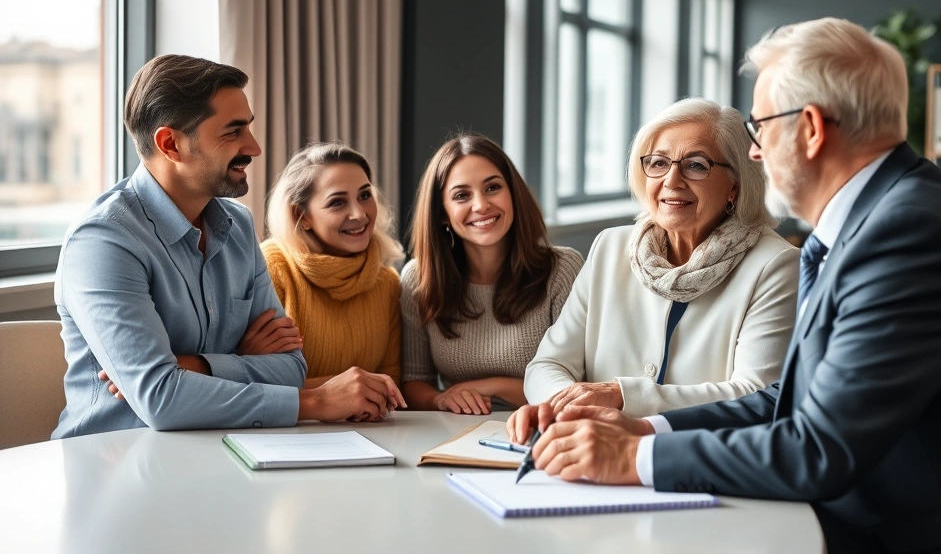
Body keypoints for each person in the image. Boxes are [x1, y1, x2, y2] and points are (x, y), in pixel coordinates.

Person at [509, 18, 941, 552]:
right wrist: (647, 431)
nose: (755, 152)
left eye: (760, 128)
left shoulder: (908, 234)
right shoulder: (882, 218)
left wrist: (630, 458)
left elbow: (819, 449)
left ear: (810, 128)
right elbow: (789, 400)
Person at [53, 54, 404, 439]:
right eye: (233, 131)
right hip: (114, 461)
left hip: (222, 452)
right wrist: (314, 402)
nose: (253, 147)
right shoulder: (103, 243)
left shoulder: (239, 227)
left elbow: (291, 367)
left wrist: (197, 368)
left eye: (248, 128)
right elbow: (162, 399)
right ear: (171, 144)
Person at [514, 97, 798, 420]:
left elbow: (755, 394)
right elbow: (547, 365)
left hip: (692, 460)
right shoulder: (610, 247)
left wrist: (622, 397)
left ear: (735, 185)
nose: (671, 181)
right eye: (659, 163)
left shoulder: (776, 265)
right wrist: (572, 410)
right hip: (592, 450)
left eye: (696, 165)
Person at [401, 133, 584, 414]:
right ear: (442, 214)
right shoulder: (419, 279)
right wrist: (439, 400)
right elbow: (414, 381)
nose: (481, 205)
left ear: (513, 193)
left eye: (493, 187)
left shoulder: (562, 270)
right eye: (462, 195)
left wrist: (493, 386)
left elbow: (576, 386)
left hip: (547, 426)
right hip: (453, 429)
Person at [262, 142, 404, 400]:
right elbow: (253, 380)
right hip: (284, 432)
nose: (359, 214)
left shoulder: (387, 283)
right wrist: (338, 392)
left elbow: (391, 378)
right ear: (301, 215)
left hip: (368, 432)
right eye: (338, 202)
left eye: (364, 195)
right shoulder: (273, 268)